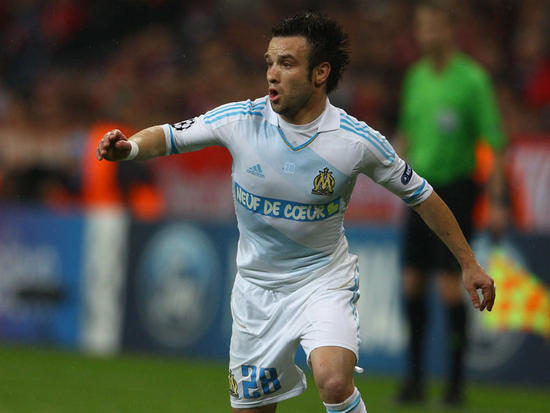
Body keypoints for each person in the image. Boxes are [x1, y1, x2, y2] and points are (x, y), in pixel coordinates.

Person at [96, 12, 495, 413]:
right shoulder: (241, 120)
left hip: (322, 282)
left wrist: (469, 263)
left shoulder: (355, 141)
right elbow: (168, 136)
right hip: (256, 292)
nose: (272, 74)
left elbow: (422, 196)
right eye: (269, 62)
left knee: (334, 382)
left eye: (286, 63)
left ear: (320, 73)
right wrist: (130, 148)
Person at [394, 1, 507, 406]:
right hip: (416, 190)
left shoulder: (472, 80)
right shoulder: (415, 78)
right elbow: (406, 136)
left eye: (432, 26)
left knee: (448, 286)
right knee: (411, 282)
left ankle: (456, 384)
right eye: (420, 26)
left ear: (449, 30)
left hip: (456, 191)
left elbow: (493, 141)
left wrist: (497, 200)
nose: (425, 34)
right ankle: (414, 380)